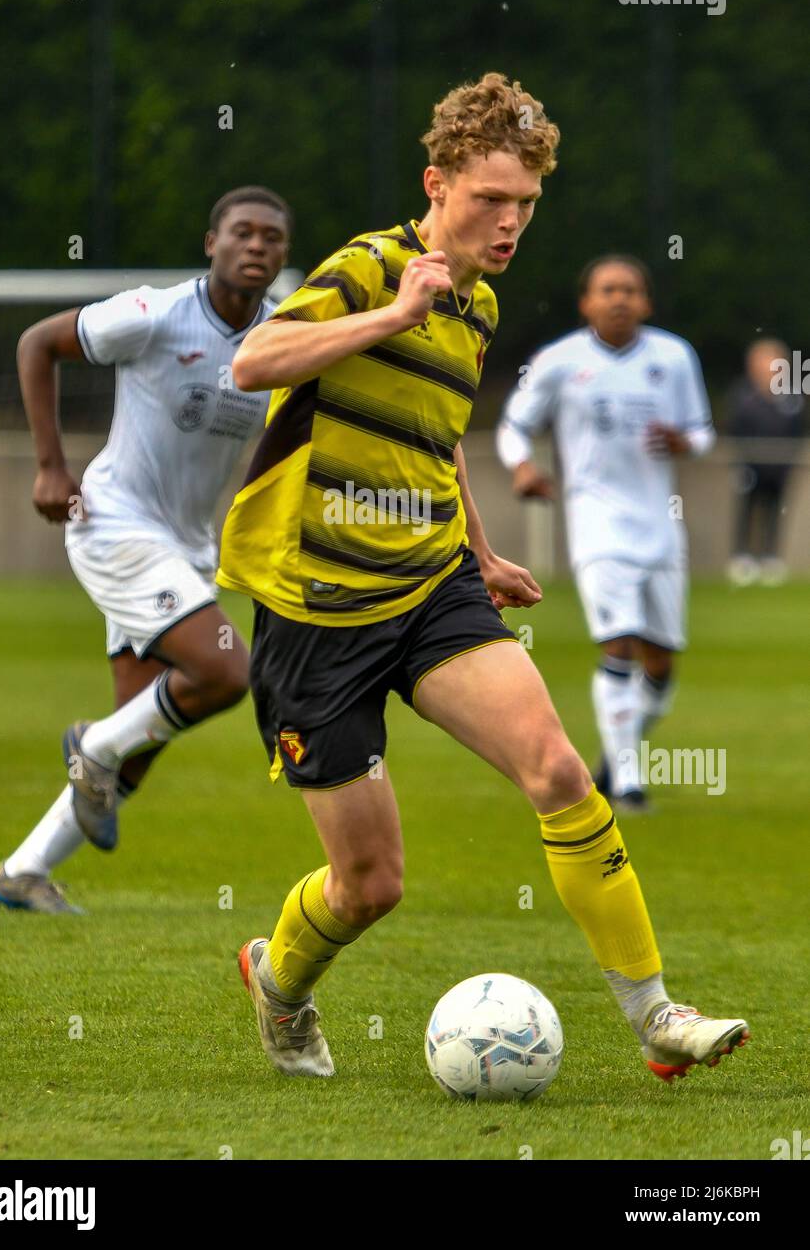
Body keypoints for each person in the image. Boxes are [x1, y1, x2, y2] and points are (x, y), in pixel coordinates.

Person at [217, 74, 747, 1083]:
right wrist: (390, 313)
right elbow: (255, 359)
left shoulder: (479, 304)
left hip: (428, 589)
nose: (508, 223)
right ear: (437, 183)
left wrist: (482, 546)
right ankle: (277, 983)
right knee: (369, 883)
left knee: (555, 769)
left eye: (525, 205)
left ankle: (654, 1016)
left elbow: (438, 435)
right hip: (315, 611)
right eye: (489, 200)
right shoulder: (375, 268)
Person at [0, 186, 292, 913]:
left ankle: (22, 873)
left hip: (186, 548)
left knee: (146, 730)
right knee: (226, 670)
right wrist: (49, 465)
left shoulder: (281, 335)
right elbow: (38, 343)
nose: (256, 246)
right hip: (116, 524)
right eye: (242, 232)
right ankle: (91, 743)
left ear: (284, 255)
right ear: (211, 242)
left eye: (272, 238)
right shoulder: (154, 313)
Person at [496, 256, 715, 812]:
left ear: (646, 302)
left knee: (660, 661)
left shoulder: (674, 356)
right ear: (586, 302)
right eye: (607, 290)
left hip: (661, 527)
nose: (619, 299)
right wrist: (522, 467)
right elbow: (514, 424)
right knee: (618, 645)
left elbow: (704, 431)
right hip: (597, 525)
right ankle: (629, 786)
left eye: (630, 290)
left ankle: (619, 759)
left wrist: (686, 442)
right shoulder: (560, 361)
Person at [725, 338, 804, 587]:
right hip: (750, 466)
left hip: (779, 468)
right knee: (747, 510)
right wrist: (739, 463)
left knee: (776, 511)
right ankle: (742, 557)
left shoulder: (791, 398)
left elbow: (797, 431)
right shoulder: (742, 396)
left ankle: (771, 558)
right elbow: (734, 430)